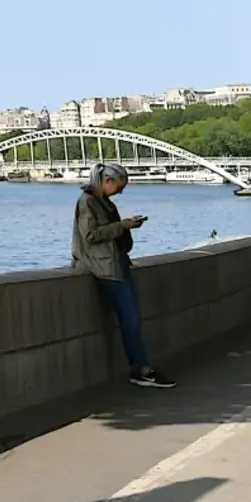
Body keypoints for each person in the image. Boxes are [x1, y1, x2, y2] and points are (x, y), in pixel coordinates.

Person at [72, 163, 175, 388]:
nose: (121, 192)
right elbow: (90, 235)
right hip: (104, 268)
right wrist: (122, 225)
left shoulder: (104, 202)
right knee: (131, 320)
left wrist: (126, 227)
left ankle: (141, 367)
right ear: (107, 181)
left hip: (115, 265)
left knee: (132, 320)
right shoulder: (88, 202)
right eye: (119, 187)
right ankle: (141, 368)